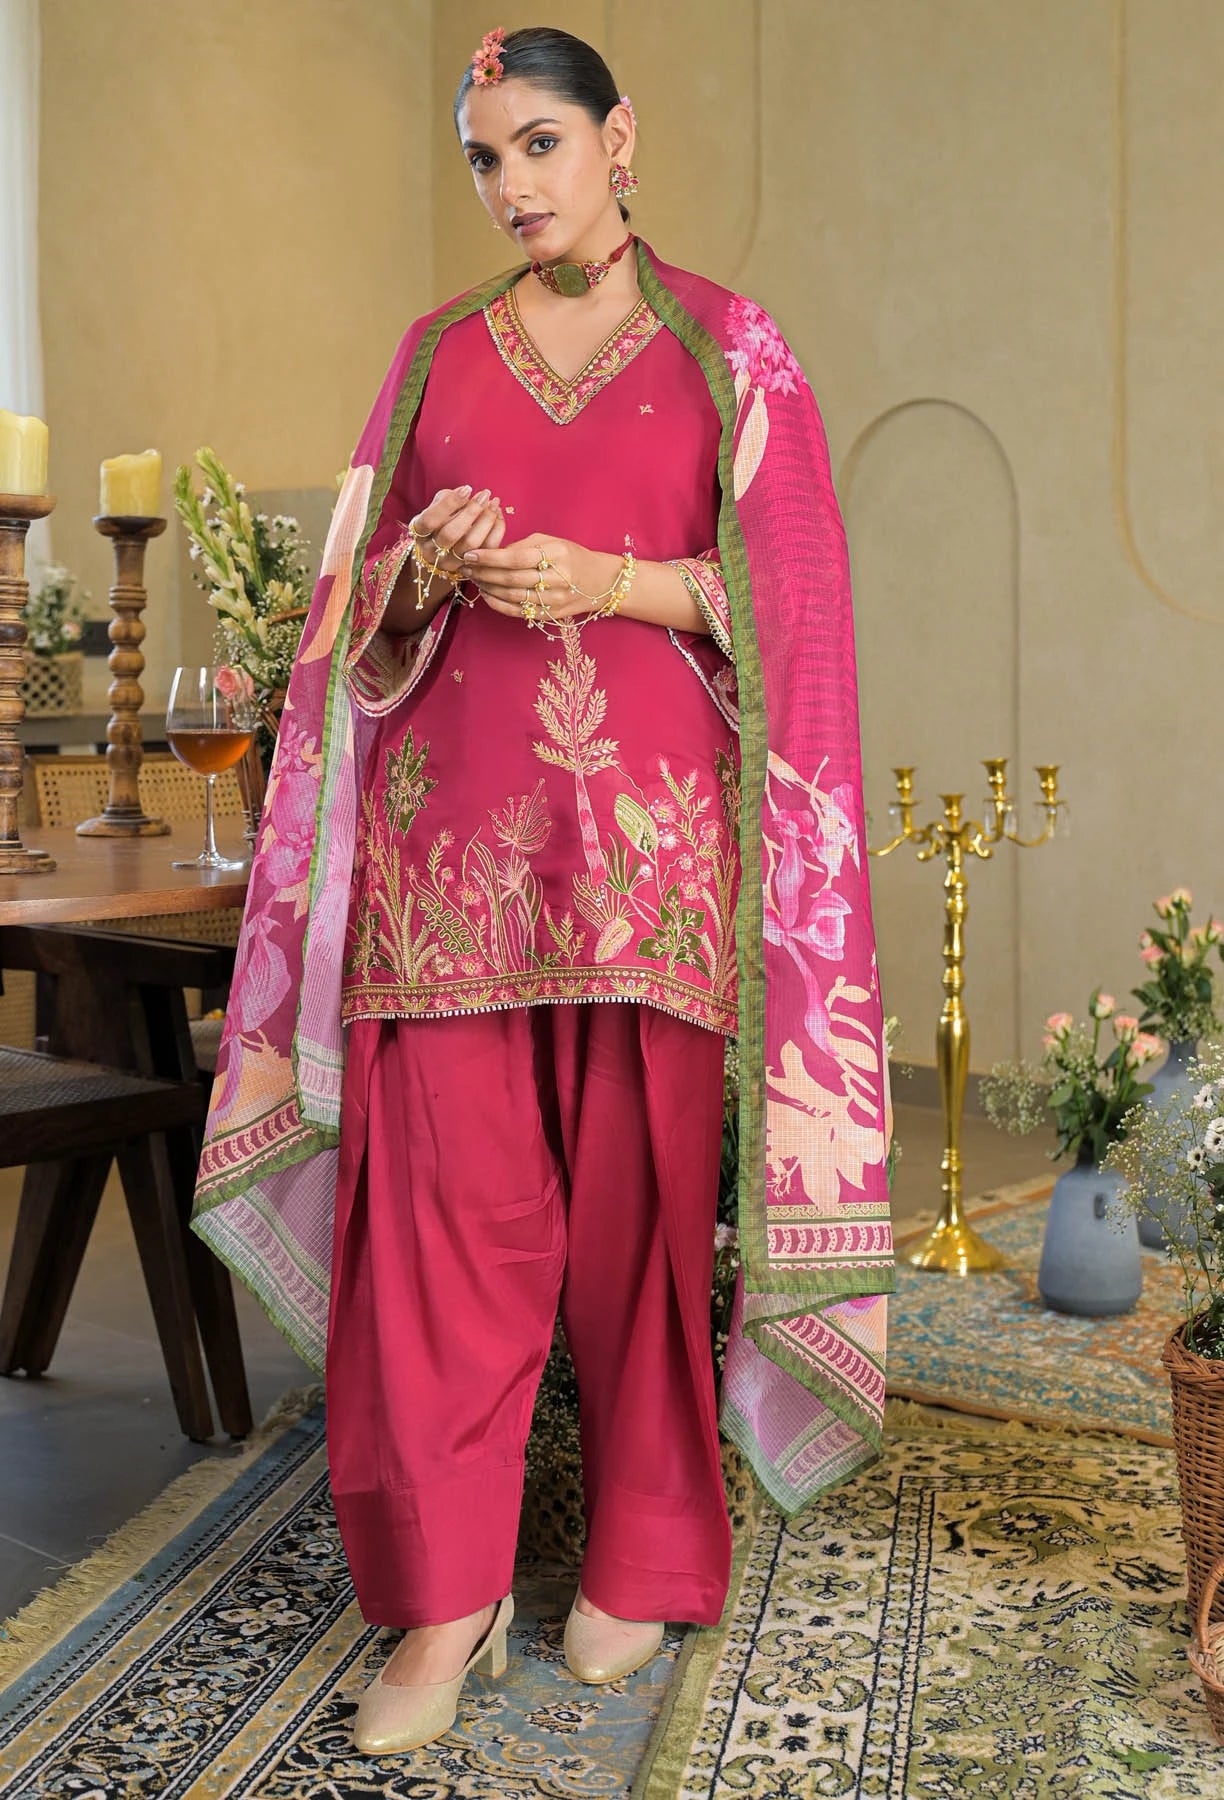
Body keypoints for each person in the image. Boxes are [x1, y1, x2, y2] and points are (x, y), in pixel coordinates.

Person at [191, 23, 894, 1760]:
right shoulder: (430, 359)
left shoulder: (734, 350)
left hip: (653, 876)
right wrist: (415, 584)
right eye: (485, 158)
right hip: (447, 885)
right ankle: (446, 1597)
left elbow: (798, 613)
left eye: (540, 145)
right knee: (442, 1240)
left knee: (638, 1234)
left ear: (620, 139)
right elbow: (342, 640)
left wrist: (620, 579)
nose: (512, 185)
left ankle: (646, 1551)